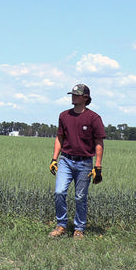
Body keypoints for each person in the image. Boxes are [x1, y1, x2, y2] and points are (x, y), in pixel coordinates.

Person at [48, 84, 105, 239]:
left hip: (85, 163)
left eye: (76, 94)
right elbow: (60, 137)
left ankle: (79, 229)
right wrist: (54, 159)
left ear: (85, 98)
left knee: (80, 197)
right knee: (59, 192)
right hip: (65, 160)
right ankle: (61, 225)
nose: (73, 96)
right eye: (72, 94)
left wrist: (97, 166)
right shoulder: (64, 116)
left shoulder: (94, 118)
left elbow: (99, 142)